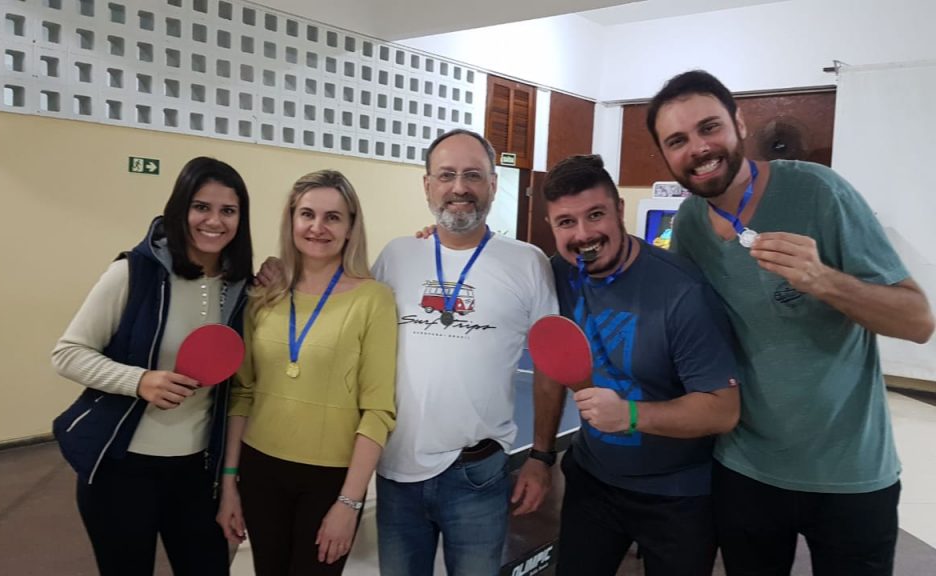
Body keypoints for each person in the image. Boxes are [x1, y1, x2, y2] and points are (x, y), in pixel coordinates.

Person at [646, 69, 935, 576]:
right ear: (667, 156)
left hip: (849, 472)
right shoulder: (689, 224)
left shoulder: (820, 192)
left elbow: (918, 321)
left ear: (738, 124)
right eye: (678, 140)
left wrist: (824, 280)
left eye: (709, 127)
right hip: (746, 470)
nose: (699, 148)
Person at [528, 154, 740, 576]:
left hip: (678, 495)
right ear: (551, 226)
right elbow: (551, 367)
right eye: (566, 222)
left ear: (619, 210)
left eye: (595, 215)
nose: (583, 234)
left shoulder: (682, 292)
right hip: (592, 481)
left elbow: (723, 410)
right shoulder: (556, 274)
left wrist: (629, 415)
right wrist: (541, 455)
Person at [51, 156, 254, 575]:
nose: (214, 221)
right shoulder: (132, 273)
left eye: (228, 210)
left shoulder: (242, 289)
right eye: (201, 207)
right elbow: (68, 353)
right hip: (121, 470)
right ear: (180, 209)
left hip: (198, 473)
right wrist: (139, 380)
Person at [371, 129, 559, 576]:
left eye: (473, 175)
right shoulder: (396, 256)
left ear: (493, 184)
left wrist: (541, 457)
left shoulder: (528, 263)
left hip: (478, 474)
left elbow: (550, 367)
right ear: (427, 186)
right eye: (446, 175)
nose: (459, 187)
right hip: (396, 472)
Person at [217, 170, 397, 575]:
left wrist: (349, 503)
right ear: (292, 220)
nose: (318, 227)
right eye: (307, 214)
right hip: (260, 469)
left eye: (333, 217)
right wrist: (230, 483)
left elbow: (378, 410)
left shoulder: (374, 299)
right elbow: (243, 393)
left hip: (329, 480)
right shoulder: (264, 292)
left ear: (350, 227)